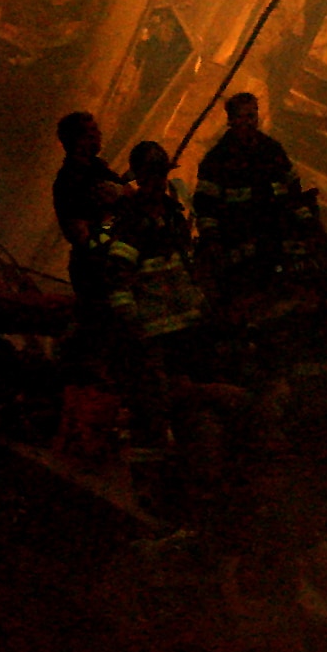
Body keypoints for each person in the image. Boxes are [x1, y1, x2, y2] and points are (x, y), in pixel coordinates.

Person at [106, 139, 209, 443]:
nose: (155, 182)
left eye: (159, 175)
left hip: (187, 329)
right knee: (155, 407)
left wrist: (200, 301)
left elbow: (186, 267)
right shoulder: (131, 223)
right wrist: (133, 323)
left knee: (191, 405)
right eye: (148, 176)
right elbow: (116, 279)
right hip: (152, 336)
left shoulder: (173, 216)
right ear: (138, 179)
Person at [193, 92, 307, 304]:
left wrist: (306, 227)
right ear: (231, 120)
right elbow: (205, 208)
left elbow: (294, 192)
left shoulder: (272, 150)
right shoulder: (218, 160)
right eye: (242, 117)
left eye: (252, 116)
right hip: (241, 253)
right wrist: (214, 243)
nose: (249, 123)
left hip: (278, 246)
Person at [52, 111, 124, 308]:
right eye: (92, 131)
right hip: (101, 275)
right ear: (79, 139)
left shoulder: (99, 170)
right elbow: (80, 236)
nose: (98, 135)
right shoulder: (70, 182)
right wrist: (112, 227)